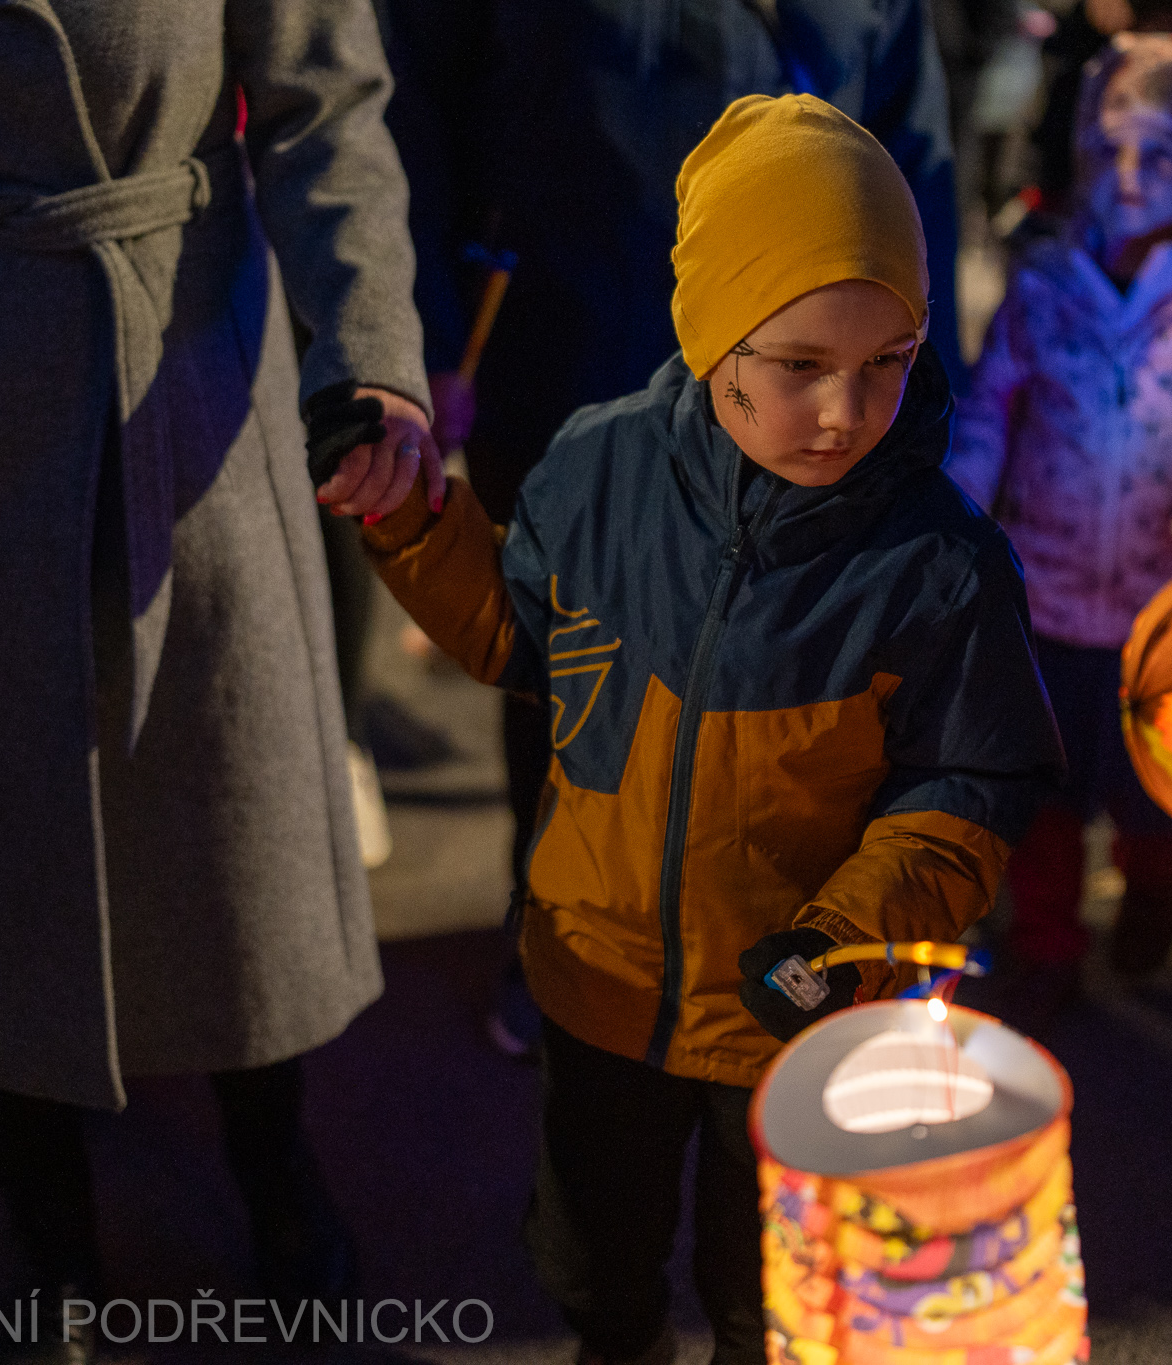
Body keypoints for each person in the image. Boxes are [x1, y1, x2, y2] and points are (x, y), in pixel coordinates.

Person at [333, 95, 1063, 1365]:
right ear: (714, 329)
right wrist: (410, 523)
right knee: (595, 1264)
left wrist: (844, 936)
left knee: (765, 1298)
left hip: (791, 1014)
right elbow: (518, 638)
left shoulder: (937, 567)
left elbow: (967, 780)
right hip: (599, 983)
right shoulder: (595, 468)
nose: (844, 412)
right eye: (800, 365)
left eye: (886, 362)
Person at [0, 0, 429, 1351]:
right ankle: (44, 1236)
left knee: (225, 827)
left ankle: (275, 1172)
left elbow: (326, 103)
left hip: (176, 367)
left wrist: (371, 353)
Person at [377, 0, 969, 1054]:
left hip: (802, 381)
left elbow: (911, 155)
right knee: (573, 683)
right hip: (562, 350)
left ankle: (773, 963)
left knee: (796, 690)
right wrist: (421, 329)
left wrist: (927, 395)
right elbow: (411, 107)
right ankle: (565, 944)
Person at [947, 34, 1172, 1026]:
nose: (1127, 174)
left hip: (1165, 612)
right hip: (1047, 598)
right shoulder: (1043, 288)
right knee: (1042, 792)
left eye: (1155, 152)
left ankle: (1153, 886)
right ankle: (1047, 944)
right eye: (1106, 150)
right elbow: (989, 411)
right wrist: (958, 515)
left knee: (1156, 790)